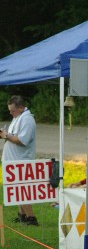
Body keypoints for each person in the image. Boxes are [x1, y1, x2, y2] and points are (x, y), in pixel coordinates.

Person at [0, 95, 38, 225]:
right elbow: (13, 136)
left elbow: (22, 140)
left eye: (13, 110)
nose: (11, 113)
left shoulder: (27, 119)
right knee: (16, 189)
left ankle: (31, 218)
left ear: (21, 107)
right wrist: (5, 135)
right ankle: (22, 215)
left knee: (22, 190)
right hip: (13, 160)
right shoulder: (18, 117)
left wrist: (6, 135)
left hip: (21, 160)